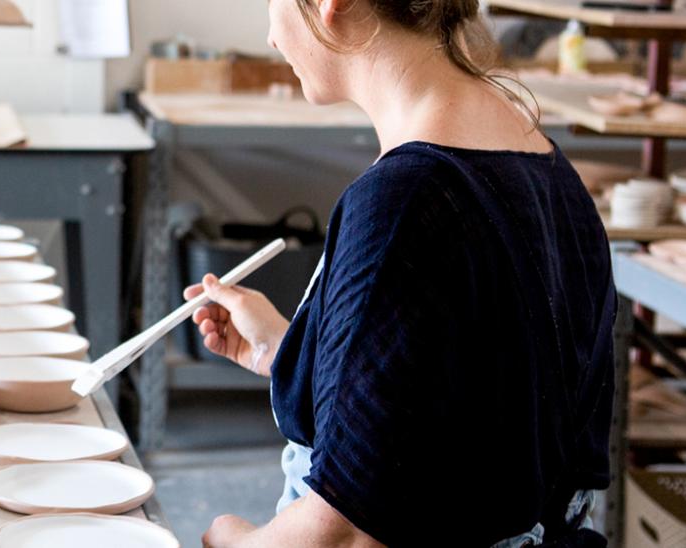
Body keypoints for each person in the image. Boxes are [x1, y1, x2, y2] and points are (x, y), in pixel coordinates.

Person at [185, 0, 617, 545]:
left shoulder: (405, 201)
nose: (271, 35)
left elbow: (343, 536)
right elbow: (465, 400)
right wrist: (291, 352)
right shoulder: (546, 169)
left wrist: (230, 537)